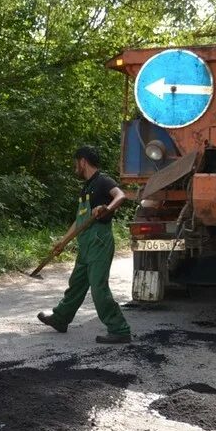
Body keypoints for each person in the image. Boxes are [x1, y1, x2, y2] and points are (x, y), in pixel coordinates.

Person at [37, 146, 133, 344]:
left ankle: (119, 329)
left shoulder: (102, 180)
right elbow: (80, 221)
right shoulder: (86, 188)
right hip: (86, 243)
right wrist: (62, 242)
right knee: (77, 283)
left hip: (99, 241)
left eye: (76, 163)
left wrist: (107, 208)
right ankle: (61, 318)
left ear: (83, 161)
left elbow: (121, 196)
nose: (75, 167)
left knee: (98, 287)